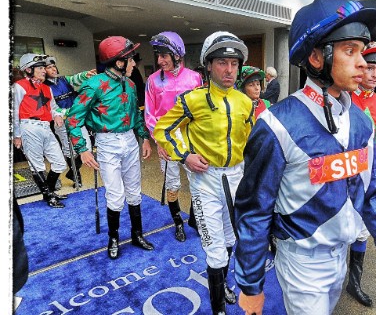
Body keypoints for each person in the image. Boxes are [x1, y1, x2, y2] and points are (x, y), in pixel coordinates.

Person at [234, 0, 376, 315]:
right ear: (317, 57)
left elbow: (372, 195)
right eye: (351, 51)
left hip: (342, 257)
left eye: (361, 51)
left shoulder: (361, 122)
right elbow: (253, 210)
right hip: (302, 264)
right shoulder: (276, 124)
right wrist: (250, 285)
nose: (363, 62)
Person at [154, 31, 253, 314]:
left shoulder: (245, 102)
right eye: (222, 62)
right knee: (214, 247)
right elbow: (164, 129)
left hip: (237, 177)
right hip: (205, 180)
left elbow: (252, 140)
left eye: (234, 64)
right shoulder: (193, 99)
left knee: (232, 239)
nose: (229, 70)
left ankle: (223, 286)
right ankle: (218, 308)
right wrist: (185, 156)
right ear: (209, 65)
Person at [65, 36, 154, 260]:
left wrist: (144, 138)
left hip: (130, 141)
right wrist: (83, 149)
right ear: (118, 62)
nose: (134, 63)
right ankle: (113, 239)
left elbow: (137, 115)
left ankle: (137, 234)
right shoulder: (94, 84)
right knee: (115, 195)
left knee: (134, 191)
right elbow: (73, 118)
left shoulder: (131, 84)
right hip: (107, 142)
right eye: (130, 59)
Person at [144, 31, 203, 242]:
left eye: (164, 55)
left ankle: (196, 219)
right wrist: (159, 141)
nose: (160, 61)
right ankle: (178, 222)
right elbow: (149, 114)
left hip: (190, 138)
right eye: (157, 56)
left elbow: (201, 111)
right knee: (172, 183)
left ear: (177, 54)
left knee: (197, 181)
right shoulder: (152, 81)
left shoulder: (195, 78)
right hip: (166, 137)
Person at [346, 40, 376, 307]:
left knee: (362, 232)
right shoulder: (342, 98)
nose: (374, 74)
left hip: (366, 179)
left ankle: (355, 282)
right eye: (370, 67)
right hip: (340, 178)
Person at [13, 53, 67, 208]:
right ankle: (49, 196)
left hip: (46, 127)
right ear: (29, 69)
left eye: (44, 68)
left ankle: (48, 192)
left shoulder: (46, 88)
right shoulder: (19, 86)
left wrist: (57, 115)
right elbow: (14, 112)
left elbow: (54, 108)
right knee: (37, 165)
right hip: (28, 126)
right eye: (41, 68)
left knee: (59, 162)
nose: (44, 70)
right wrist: (17, 135)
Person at [44, 56, 96, 188]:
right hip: (60, 122)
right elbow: (50, 108)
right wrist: (63, 114)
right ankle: (76, 176)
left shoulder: (63, 79)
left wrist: (86, 74)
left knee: (87, 147)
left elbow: (75, 78)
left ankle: (73, 172)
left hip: (76, 119)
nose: (53, 69)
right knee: (69, 151)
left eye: (53, 66)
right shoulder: (43, 87)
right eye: (49, 67)